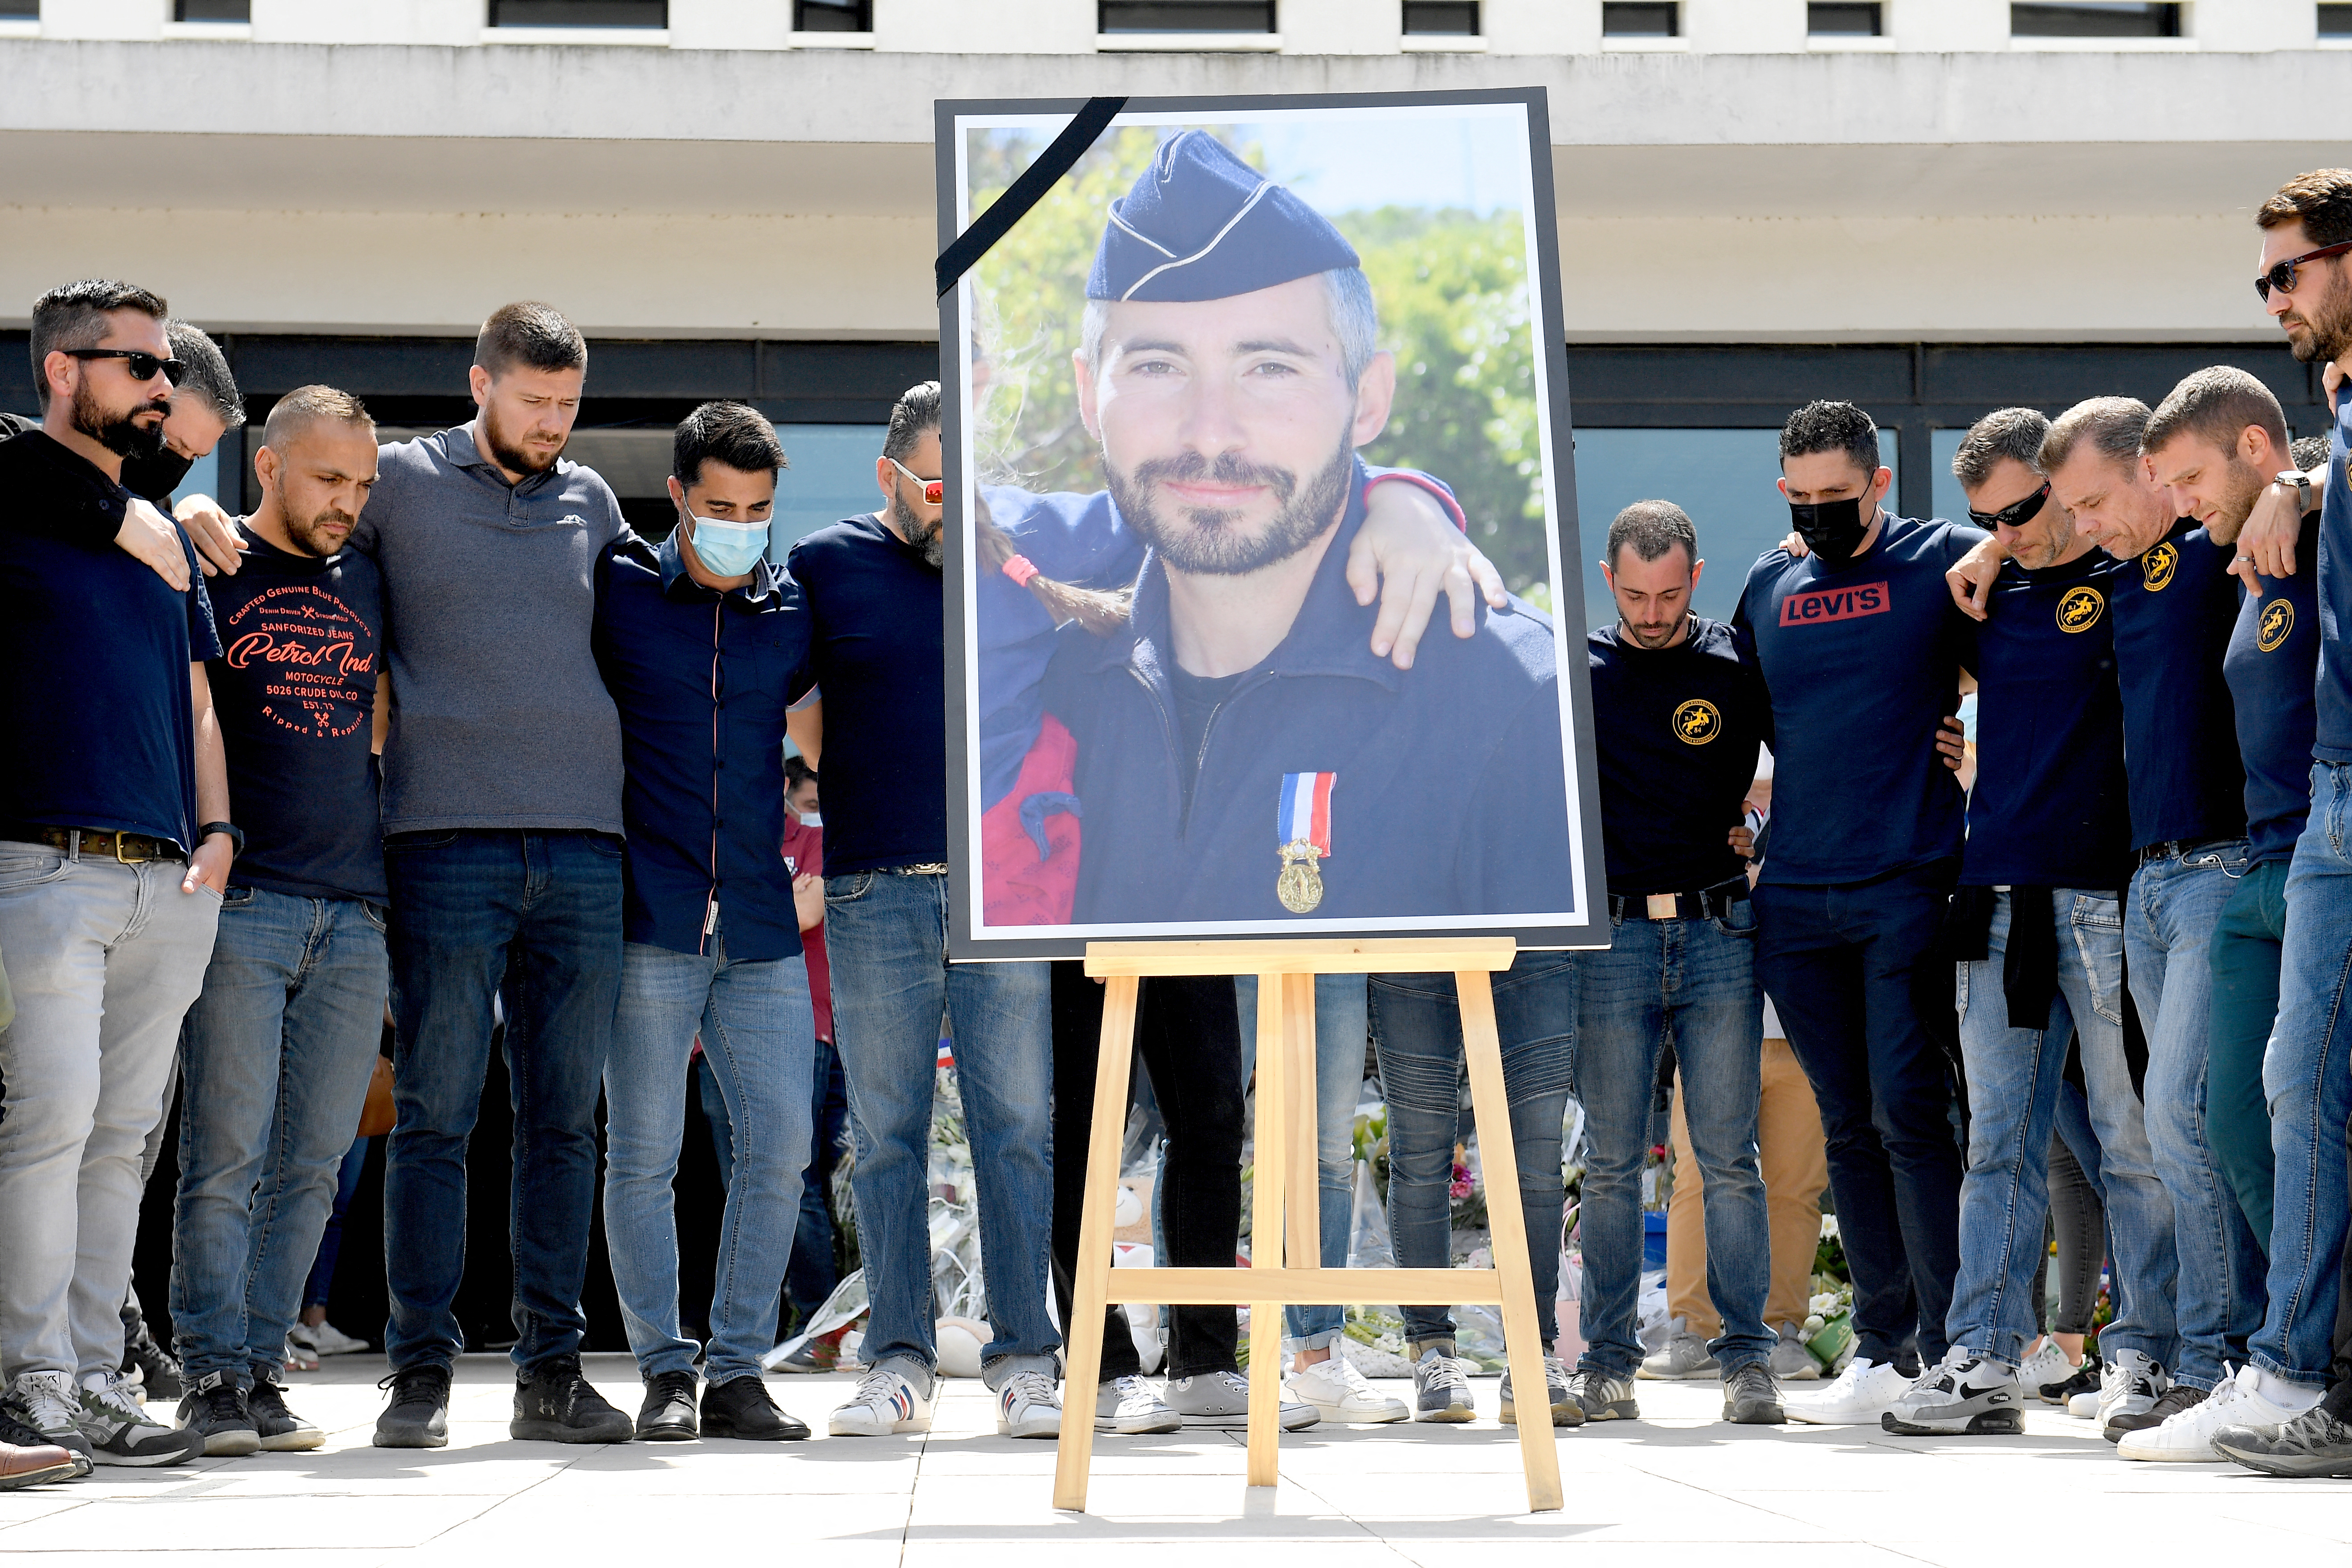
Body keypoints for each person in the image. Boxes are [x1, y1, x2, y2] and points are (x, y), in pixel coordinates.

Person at [1037, 131, 1574, 926]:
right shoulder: (1039, 679)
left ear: (1367, 399)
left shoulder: (1515, 696)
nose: (1211, 434)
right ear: (1089, 397)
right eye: (1158, 366)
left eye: (1269, 368)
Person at [1947, 394, 2257, 1455]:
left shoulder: (2180, 553)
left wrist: (2299, 486)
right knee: (2041, 1138)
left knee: (2156, 1127)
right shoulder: (2037, 583)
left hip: (2169, 878)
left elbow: (2273, 494)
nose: (2040, 524)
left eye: (2064, 501)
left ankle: (2186, 1351)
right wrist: (1993, 554)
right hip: (2068, 885)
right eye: (2005, 516)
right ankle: (2020, 1346)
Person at [358, 301, 633, 1449]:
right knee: (435, 1114)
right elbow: (308, 557)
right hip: (442, 837)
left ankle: (551, 1371)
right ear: (481, 383)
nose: (553, 426)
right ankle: (418, 1371)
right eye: (535, 403)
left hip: (582, 844)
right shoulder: (397, 484)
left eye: (569, 406)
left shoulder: (595, 498)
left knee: (566, 1121)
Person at [1878, 406, 2171, 1438]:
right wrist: (1979, 554)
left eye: (2023, 506)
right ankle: (1983, 1355)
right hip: (1994, 892)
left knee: (2131, 1138)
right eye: (1985, 517)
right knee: (1995, 1142)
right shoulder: (1982, 589)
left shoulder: (2138, 566)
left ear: (2063, 479)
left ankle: (2144, 1353)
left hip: (2104, 893)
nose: (2008, 529)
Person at [788, 383, 1066, 1440]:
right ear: (889, 476)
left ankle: (1025, 1360)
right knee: (887, 1133)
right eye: (940, 483)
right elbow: (801, 714)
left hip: (1005, 896)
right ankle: (896, 1356)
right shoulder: (826, 565)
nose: (957, 506)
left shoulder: (1015, 567)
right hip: (870, 886)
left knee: (1017, 1130)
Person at [0, 279, 231, 1467]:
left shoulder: (163, 535)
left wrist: (222, 832)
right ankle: (27, 1381)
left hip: (168, 880)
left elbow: (198, 698)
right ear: (60, 371)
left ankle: (93, 1383)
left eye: (163, 370)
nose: (159, 388)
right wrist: (108, 511)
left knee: (118, 1138)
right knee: (49, 1127)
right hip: (45, 866)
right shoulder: (20, 496)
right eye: (138, 367)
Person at [1734, 400, 1980, 1427]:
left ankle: (1954, 1344)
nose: (1823, 513)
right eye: (1805, 498)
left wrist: (1981, 747)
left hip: (1905, 882)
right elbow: (1735, 724)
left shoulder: (1946, 561)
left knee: (1912, 1112)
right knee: (1845, 1121)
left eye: (1841, 495)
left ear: (1879, 482)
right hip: (1794, 896)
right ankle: (1880, 1343)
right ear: (1784, 492)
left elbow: (2037, 594)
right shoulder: (1768, 582)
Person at [165, 386, 388, 1458]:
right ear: (268, 466)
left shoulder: (375, 577)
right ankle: (206, 1368)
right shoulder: (208, 564)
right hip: (245, 901)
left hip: (357, 909)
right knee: (227, 1148)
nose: (346, 501)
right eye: (327, 478)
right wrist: (183, 518)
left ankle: (260, 1365)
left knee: (313, 1157)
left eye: (362, 483)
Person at [593, 401, 816, 1444]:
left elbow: (824, 727)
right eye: (720, 505)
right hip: (651, 912)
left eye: (758, 508)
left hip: (763, 923)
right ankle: (663, 1369)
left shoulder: (792, 610)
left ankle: (735, 1370)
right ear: (678, 495)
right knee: (643, 1153)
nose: (740, 524)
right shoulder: (618, 591)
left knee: (779, 1143)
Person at [1574, 499, 1781, 1427]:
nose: (1650, 614)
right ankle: (1608, 1363)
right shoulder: (1577, 671)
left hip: (1718, 933)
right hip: (1611, 938)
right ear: (1608, 580)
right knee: (1614, 1163)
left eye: (1667, 595)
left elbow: (1807, 763)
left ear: (1695, 578)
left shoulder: (1740, 663)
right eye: (1633, 594)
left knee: (1729, 1158)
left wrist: (1765, 832)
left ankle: (1749, 1363)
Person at [2213, 168, 2352, 1477]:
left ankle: (2298, 1369)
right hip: (2327, 799)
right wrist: (2303, 480)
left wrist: (2298, 483)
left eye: (2289, 272)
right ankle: (2303, 1370)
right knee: (2289, 1086)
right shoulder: (2334, 428)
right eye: (2263, 279)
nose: (2273, 300)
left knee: (2298, 1086)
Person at [2144, 383, 2318, 1270]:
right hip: (2263, 867)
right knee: (2232, 1121)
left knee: (2308, 1111)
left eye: (2189, 478)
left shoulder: (2321, 529)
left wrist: (2303, 482)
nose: (2178, 505)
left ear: (2254, 445)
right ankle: (2297, 1348)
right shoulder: (2243, 565)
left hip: (2327, 856)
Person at [1649, 998, 1832, 1388]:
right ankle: (1690, 1330)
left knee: (1796, 1190)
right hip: (1710, 1027)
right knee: (1696, 1180)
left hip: (1807, 1026)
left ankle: (1783, 1330)